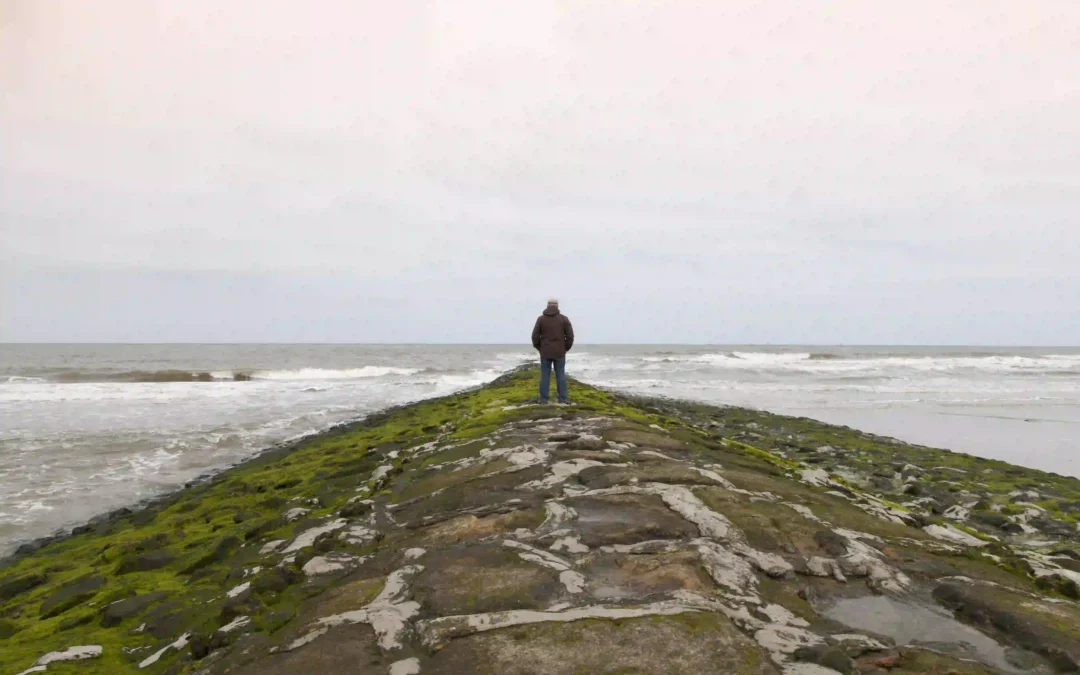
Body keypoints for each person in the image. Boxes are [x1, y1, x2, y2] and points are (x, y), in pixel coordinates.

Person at [531, 298, 575, 404]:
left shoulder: (541, 319)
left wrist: (540, 348)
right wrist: (565, 348)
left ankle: (544, 400)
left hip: (545, 352)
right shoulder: (564, 319)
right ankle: (563, 399)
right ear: (557, 306)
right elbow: (570, 336)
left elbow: (535, 336)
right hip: (559, 352)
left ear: (547, 305)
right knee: (560, 375)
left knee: (545, 376)